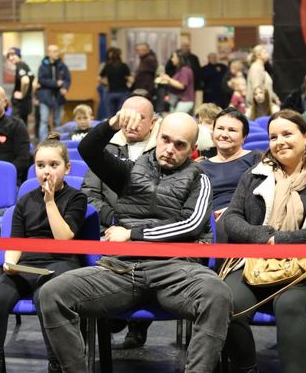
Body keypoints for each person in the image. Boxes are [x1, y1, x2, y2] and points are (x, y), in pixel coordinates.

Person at [39, 111, 231, 373]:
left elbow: (191, 225)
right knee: (51, 294)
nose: (170, 149)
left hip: (175, 270)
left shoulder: (199, 179)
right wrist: (112, 124)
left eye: (180, 144)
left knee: (218, 294)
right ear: (157, 136)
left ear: (192, 149)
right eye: (165, 139)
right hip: (121, 269)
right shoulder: (130, 170)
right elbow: (88, 150)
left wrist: (133, 234)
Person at [219, 109, 306, 373]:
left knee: (289, 304)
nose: (280, 142)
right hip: (255, 260)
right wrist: (260, 235)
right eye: (273, 137)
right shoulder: (255, 175)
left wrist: (284, 239)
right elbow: (231, 217)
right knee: (224, 301)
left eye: (287, 134)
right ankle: (246, 367)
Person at [0, 133, 87, 373]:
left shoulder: (77, 198)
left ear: (67, 168)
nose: (46, 171)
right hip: (28, 263)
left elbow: (64, 238)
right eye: (40, 165)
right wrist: (10, 263)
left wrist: (50, 201)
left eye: (53, 165)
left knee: (45, 297)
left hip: (61, 262)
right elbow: (16, 241)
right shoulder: (25, 201)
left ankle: (56, 362)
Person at [80, 94, 158, 349]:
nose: (132, 122)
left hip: (145, 231)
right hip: (107, 227)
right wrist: (113, 219)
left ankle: (137, 323)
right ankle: (112, 311)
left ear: (153, 123)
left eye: (140, 118)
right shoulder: (105, 148)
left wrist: (132, 227)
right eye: (127, 116)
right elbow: (89, 194)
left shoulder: (162, 153)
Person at [199, 107, 261, 219]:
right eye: (220, 128)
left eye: (232, 130)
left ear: (244, 137)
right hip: (210, 219)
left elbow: (261, 195)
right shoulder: (201, 167)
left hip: (245, 216)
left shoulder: (255, 158)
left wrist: (231, 210)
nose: (224, 134)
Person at [37, 45, 71, 140]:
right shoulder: (43, 66)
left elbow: (67, 79)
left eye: (57, 51)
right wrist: (55, 83)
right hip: (45, 96)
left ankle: (57, 141)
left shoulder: (62, 65)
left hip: (58, 96)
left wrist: (65, 88)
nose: (57, 53)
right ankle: (43, 142)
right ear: (49, 53)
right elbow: (41, 80)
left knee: (58, 121)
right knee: (44, 120)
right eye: (54, 51)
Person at [156, 49, 195, 113]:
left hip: (184, 102)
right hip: (178, 101)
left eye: (174, 57)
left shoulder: (185, 70)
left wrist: (168, 79)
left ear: (180, 58)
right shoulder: (179, 69)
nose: (172, 59)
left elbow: (181, 85)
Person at [99, 47, 131, 117]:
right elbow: (130, 79)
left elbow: (100, 78)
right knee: (122, 114)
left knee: (110, 115)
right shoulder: (123, 66)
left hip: (111, 92)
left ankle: (111, 124)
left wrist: (106, 83)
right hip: (123, 92)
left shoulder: (107, 66)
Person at [7, 47, 34, 126]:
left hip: (20, 104)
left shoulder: (20, 66)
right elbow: (34, 82)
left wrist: (22, 94)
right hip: (26, 102)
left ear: (18, 55)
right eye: (9, 56)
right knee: (23, 125)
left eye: (13, 55)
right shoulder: (25, 65)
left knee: (12, 124)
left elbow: (25, 81)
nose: (10, 58)